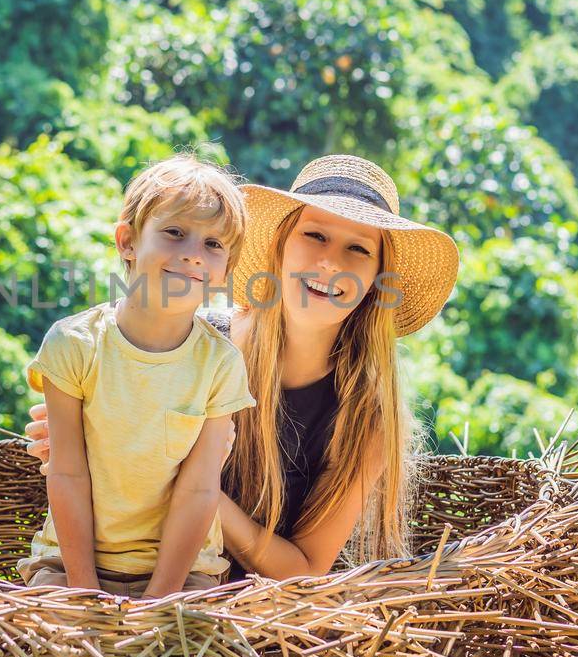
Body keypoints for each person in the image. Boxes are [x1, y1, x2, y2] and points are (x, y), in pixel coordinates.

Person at [24, 154, 458, 582]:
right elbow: (81, 449)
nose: (331, 262)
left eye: (359, 248)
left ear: (377, 278)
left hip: (247, 617)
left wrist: (188, 477)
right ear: (279, 246)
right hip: (126, 574)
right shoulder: (195, 344)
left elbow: (304, 571)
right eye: (315, 236)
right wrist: (93, 441)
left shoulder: (368, 419)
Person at [17, 154, 256, 599]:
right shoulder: (74, 344)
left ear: (226, 268)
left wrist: (158, 598)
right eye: (175, 233)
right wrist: (86, 592)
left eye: (213, 245)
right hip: (70, 562)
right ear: (127, 241)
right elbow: (67, 473)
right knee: (54, 629)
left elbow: (199, 490)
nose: (192, 255)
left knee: (183, 640)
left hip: (182, 572)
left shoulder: (220, 364)